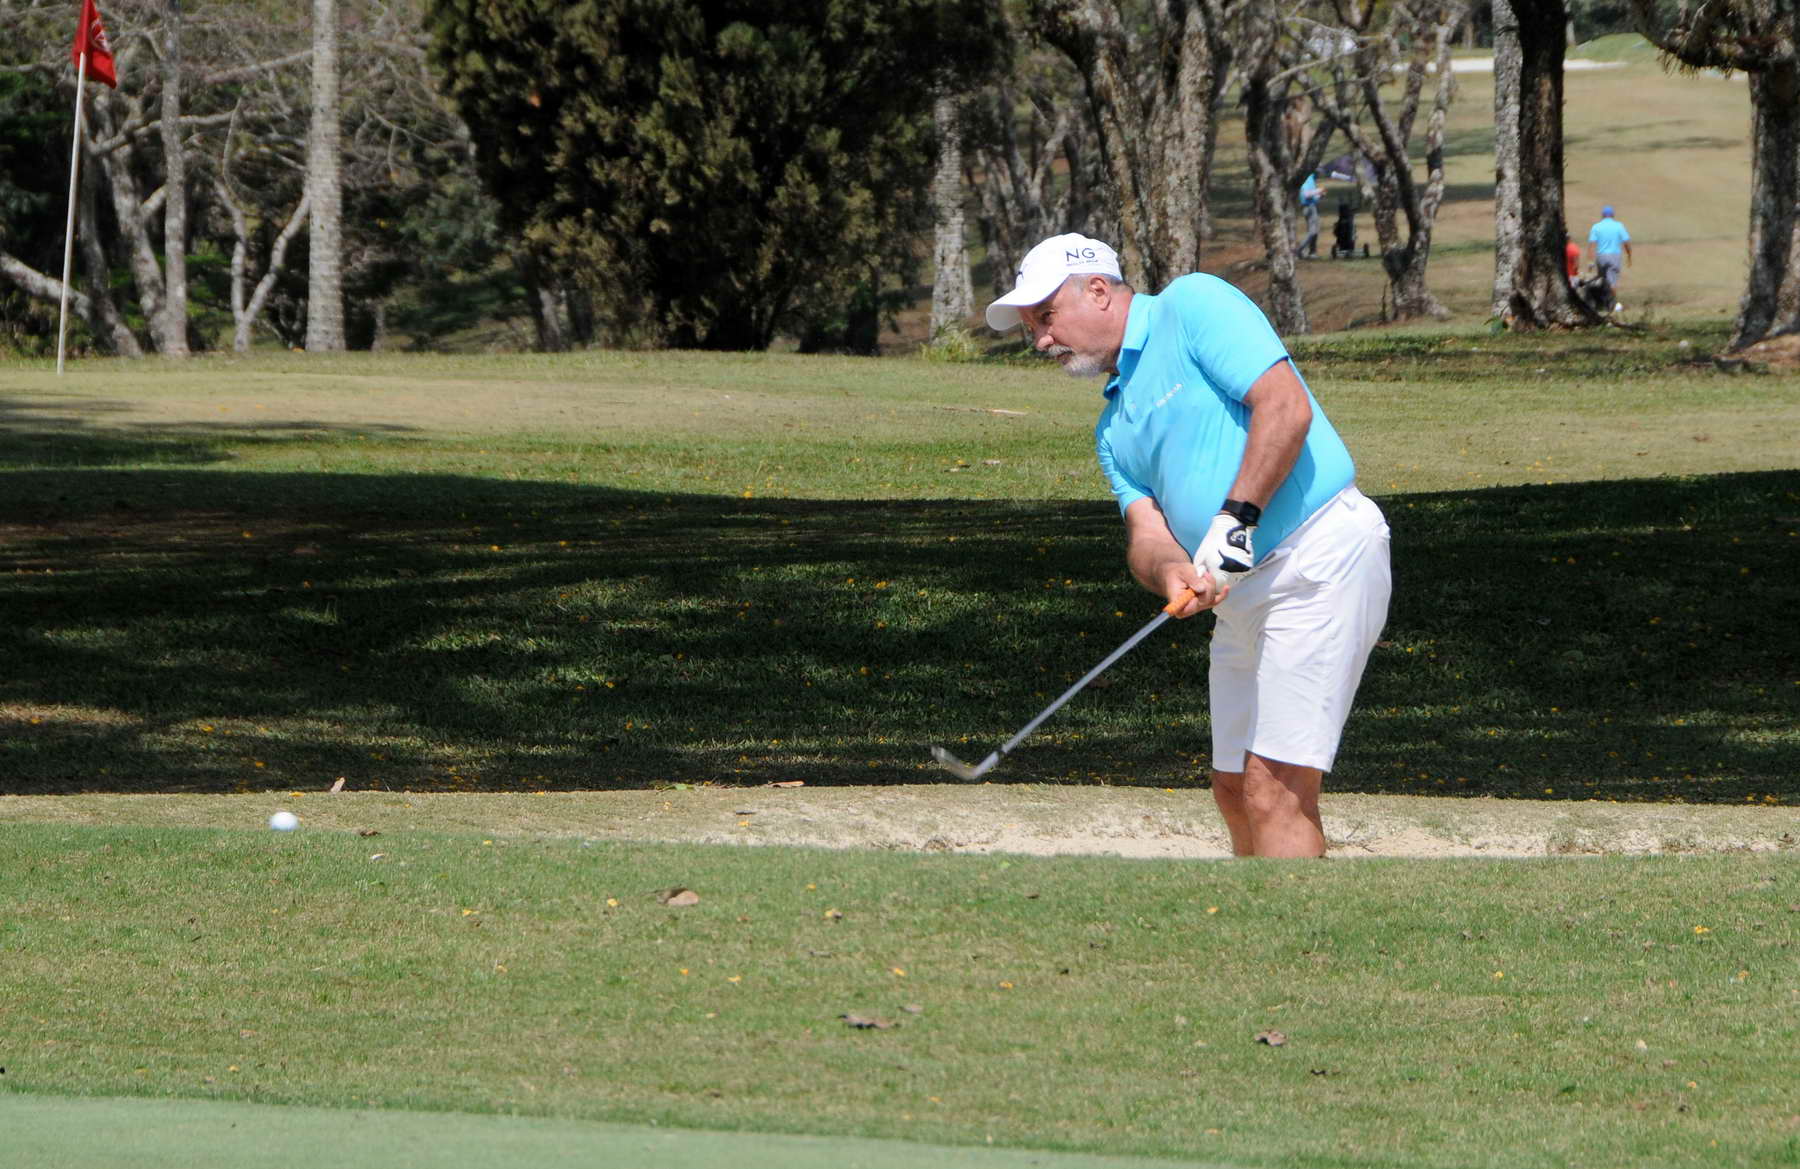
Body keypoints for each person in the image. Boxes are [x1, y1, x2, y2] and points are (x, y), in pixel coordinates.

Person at [985, 234, 1391, 858]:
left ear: (1098, 291)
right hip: (1240, 595)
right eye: (1032, 328)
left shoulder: (1192, 304)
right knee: (1232, 790)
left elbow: (1285, 406)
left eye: (1046, 317)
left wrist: (1237, 518)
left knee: (1273, 792)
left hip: (1319, 558)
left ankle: (1295, 923)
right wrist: (1171, 570)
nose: (1040, 339)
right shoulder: (1113, 428)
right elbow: (1146, 534)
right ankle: (1252, 915)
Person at [1587, 205, 1632, 311]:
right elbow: (1626, 241)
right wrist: (1629, 254)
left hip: (1601, 256)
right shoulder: (1619, 226)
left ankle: (1602, 304)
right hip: (1614, 256)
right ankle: (1612, 305)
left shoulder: (1596, 227)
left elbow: (1591, 245)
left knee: (1602, 281)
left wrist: (1590, 261)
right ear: (1613, 215)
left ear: (1602, 215)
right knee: (1612, 282)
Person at [1297, 173, 1323, 259]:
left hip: (1312, 206)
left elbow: (1312, 196)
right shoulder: (1307, 178)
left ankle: (1312, 252)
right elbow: (1306, 194)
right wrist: (1319, 190)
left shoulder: (1310, 178)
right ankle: (1299, 250)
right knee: (1313, 232)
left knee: (1315, 231)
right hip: (1309, 208)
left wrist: (1320, 196)